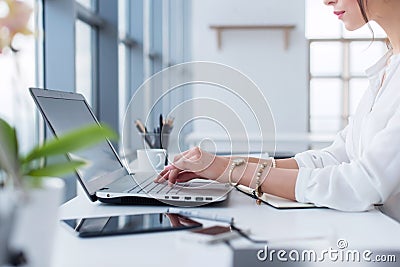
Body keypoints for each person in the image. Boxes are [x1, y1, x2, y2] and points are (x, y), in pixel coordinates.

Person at [155, 0, 400, 212]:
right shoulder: (387, 69)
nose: (326, 1)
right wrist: (217, 164)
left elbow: (362, 184)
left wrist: (228, 170)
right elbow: (336, 157)